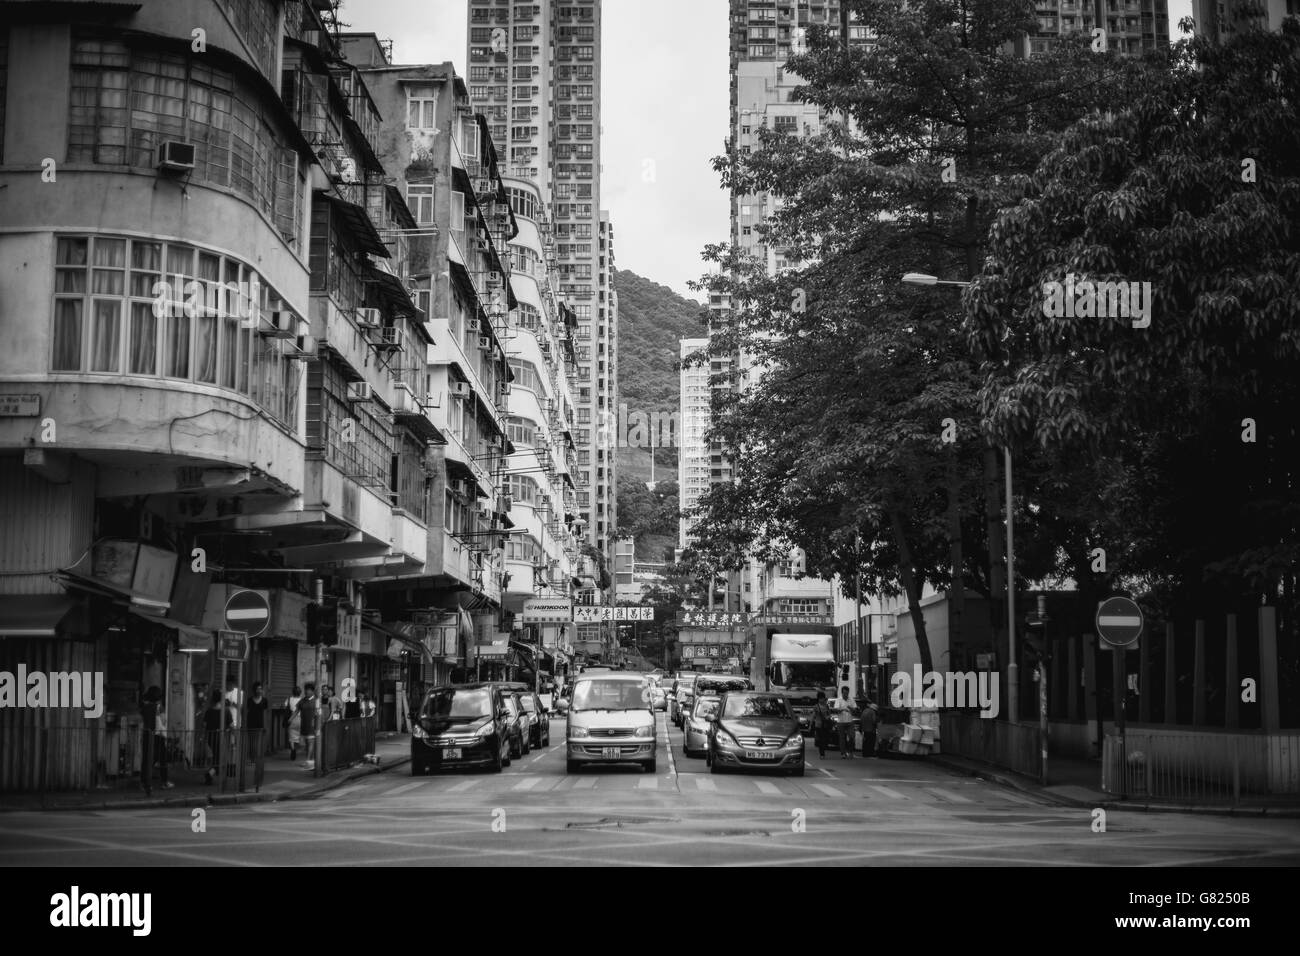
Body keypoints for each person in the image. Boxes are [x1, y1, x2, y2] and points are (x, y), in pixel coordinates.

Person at [138, 686, 173, 794]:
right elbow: (163, 721)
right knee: (162, 759)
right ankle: (164, 782)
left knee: (148, 760)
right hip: (158, 735)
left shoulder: (145, 707)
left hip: (147, 734)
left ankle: (144, 783)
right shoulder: (159, 707)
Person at [202, 693, 223, 785]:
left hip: (210, 737)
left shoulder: (209, 711)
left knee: (215, 758)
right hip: (221, 737)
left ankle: (210, 775)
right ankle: (210, 774)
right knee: (220, 760)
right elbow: (230, 725)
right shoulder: (224, 711)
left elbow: (204, 725)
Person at [830, 686, 856, 758]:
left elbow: (855, 709)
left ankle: (850, 751)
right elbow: (835, 709)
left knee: (851, 736)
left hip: (849, 721)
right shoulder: (839, 700)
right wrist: (842, 709)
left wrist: (850, 708)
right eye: (844, 693)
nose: (846, 694)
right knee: (842, 738)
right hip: (841, 721)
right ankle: (843, 753)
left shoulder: (851, 700)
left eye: (847, 693)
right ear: (842, 693)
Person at [298, 683, 319, 770]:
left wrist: (316, 722)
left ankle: (308, 760)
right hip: (304, 725)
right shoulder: (302, 701)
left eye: (309, 690)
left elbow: (318, 713)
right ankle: (310, 760)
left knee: (310, 743)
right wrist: (290, 719)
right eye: (306, 689)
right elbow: (297, 710)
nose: (307, 691)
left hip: (312, 725)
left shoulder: (316, 701)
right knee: (307, 744)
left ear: (313, 691)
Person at [246, 682, 269, 759]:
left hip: (260, 723)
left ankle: (259, 757)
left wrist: (266, 725)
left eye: (260, 689)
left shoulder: (265, 700)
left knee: (259, 742)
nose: (259, 690)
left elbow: (266, 713)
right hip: (251, 723)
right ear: (254, 690)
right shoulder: (249, 700)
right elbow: (247, 712)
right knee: (252, 742)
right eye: (257, 689)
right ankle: (252, 757)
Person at [811, 691, 832, 758]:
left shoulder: (826, 706)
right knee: (820, 739)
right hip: (818, 725)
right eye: (820, 698)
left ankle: (823, 750)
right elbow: (813, 715)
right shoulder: (816, 706)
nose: (821, 700)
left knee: (825, 739)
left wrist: (827, 717)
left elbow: (829, 715)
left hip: (825, 725)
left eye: (822, 698)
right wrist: (810, 724)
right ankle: (822, 754)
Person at [284, 685, 303, 761]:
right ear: (300, 692)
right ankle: (296, 748)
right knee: (299, 735)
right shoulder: (302, 700)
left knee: (291, 736)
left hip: (291, 719)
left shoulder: (289, 699)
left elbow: (285, 706)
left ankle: (292, 749)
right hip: (300, 719)